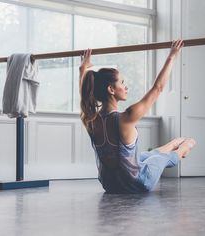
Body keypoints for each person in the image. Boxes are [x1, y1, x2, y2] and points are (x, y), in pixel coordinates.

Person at [79, 40, 196, 193]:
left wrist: (83, 68)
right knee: (157, 159)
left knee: (144, 155)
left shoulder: (90, 119)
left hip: (110, 184)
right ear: (111, 89)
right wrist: (172, 56)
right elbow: (158, 88)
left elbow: (85, 93)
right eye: (122, 82)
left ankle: (173, 142)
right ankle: (184, 147)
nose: (126, 86)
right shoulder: (126, 118)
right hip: (137, 183)